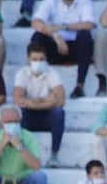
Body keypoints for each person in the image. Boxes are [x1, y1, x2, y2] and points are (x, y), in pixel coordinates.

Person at [10, 43, 66, 171]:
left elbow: (61, 100)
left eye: (41, 59)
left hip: (47, 116)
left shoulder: (52, 73)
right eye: (34, 59)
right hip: (29, 116)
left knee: (59, 112)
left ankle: (54, 155)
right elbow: (17, 99)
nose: (38, 62)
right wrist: (46, 100)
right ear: (28, 59)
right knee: (20, 112)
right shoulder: (22, 73)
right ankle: (23, 156)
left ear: (46, 59)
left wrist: (32, 102)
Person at [30, 0, 96, 98]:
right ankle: (37, 83)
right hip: (55, 46)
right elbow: (36, 22)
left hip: (76, 49)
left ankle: (79, 86)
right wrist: (56, 37)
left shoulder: (84, 0)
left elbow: (89, 24)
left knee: (85, 35)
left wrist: (63, 27)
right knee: (37, 37)